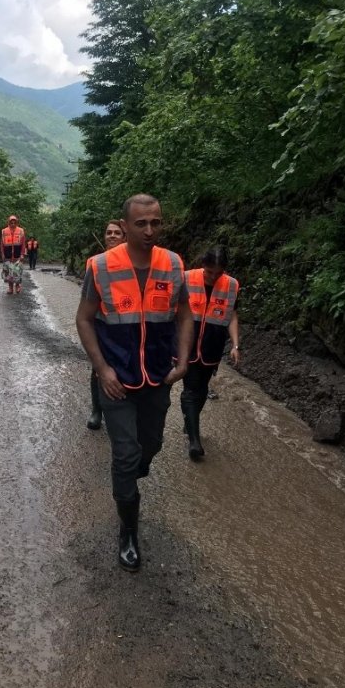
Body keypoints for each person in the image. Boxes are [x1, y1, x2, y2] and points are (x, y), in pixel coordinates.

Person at [76, 194, 193, 572]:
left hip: (158, 375)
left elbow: (186, 314)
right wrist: (102, 369)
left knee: (152, 445)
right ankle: (128, 531)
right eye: (140, 224)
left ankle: (132, 474)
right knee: (125, 456)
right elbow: (84, 319)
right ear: (124, 227)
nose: (149, 230)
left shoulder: (173, 264)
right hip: (117, 378)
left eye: (155, 223)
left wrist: (185, 359)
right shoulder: (100, 267)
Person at [180, 246, 240, 461]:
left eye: (218, 273)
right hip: (186, 343)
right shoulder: (186, 278)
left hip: (212, 346)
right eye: (209, 272)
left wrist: (235, 345)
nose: (213, 277)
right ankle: (195, 441)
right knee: (190, 388)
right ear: (202, 266)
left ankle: (190, 423)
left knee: (202, 388)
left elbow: (232, 315)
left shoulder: (231, 285)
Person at [86, 219, 126, 430]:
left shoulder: (133, 261)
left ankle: (121, 412)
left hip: (126, 324)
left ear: (124, 237)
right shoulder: (94, 262)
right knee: (98, 368)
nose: (111, 236)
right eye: (108, 232)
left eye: (116, 233)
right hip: (101, 323)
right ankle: (97, 410)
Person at [0, 214, 26, 294]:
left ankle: (17, 286)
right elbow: (1, 244)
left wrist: (22, 254)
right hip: (7, 256)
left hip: (17, 256)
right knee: (8, 273)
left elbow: (23, 244)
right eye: (11, 222)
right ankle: (10, 288)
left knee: (17, 272)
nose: (13, 224)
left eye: (14, 222)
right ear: (9, 222)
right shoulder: (4, 231)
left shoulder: (21, 231)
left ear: (16, 222)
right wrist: (2, 254)